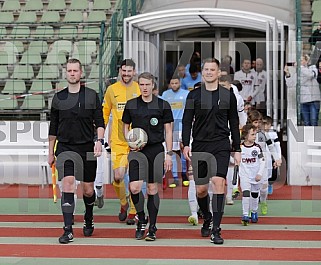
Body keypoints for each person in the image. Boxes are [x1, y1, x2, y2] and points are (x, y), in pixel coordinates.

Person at [182, 58, 241, 245]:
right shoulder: (193, 96)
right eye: (206, 69)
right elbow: (186, 121)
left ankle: (216, 229)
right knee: (200, 190)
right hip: (199, 145)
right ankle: (206, 217)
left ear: (218, 73)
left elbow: (234, 122)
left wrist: (237, 148)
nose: (208, 72)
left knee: (218, 183)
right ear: (203, 72)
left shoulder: (228, 95)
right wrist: (185, 144)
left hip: (221, 145)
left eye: (212, 69)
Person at [48, 58, 105, 244]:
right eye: (69, 71)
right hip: (65, 147)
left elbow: (100, 121)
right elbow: (53, 127)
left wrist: (99, 141)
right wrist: (50, 152)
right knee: (68, 184)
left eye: (75, 71)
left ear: (81, 73)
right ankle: (68, 229)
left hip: (87, 147)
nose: (72, 74)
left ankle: (89, 217)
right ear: (66, 73)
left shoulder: (91, 95)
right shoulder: (58, 98)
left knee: (88, 190)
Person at [122, 72, 173, 241]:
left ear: (153, 85)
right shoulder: (131, 105)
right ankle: (141, 218)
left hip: (156, 149)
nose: (144, 88)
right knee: (134, 188)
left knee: (152, 188)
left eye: (147, 84)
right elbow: (125, 126)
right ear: (139, 85)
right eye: (141, 84)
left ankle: (152, 226)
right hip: (137, 151)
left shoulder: (163, 105)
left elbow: (169, 131)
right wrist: (130, 141)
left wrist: (169, 154)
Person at [102, 59, 140, 225]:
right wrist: (99, 136)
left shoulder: (139, 88)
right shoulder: (111, 90)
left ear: (134, 72)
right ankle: (123, 202)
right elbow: (104, 113)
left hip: (137, 141)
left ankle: (133, 210)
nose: (126, 74)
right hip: (118, 141)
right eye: (123, 71)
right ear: (120, 71)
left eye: (129, 71)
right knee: (118, 176)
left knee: (134, 178)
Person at [247, 110, 281, 217]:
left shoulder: (263, 134)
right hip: (250, 164)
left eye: (259, 122)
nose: (257, 124)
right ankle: (251, 210)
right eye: (255, 122)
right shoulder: (246, 133)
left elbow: (271, 147)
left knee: (263, 188)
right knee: (251, 188)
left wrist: (277, 158)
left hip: (263, 163)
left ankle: (264, 202)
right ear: (250, 122)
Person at [161, 76, 189, 188]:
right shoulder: (165, 95)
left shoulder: (186, 94)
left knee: (183, 151)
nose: (174, 85)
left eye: (176, 83)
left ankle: (184, 174)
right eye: (172, 83)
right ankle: (175, 177)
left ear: (180, 83)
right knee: (171, 151)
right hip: (170, 127)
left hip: (182, 126)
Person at [239, 124, 265, 225]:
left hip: (256, 175)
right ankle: (245, 214)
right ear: (245, 135)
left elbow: (262, 161)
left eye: (255, 134)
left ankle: (254, 211)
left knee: (254, 195)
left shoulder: (257, 148)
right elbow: (234, 158)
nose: (255, 136)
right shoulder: (240, 147)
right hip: (245, 175)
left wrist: (259, 173)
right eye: (252, 134)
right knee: (246, 194)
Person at [284, 55, 321, 126]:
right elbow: (290, 84)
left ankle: (315, 137)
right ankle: (308, 137)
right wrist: (287, 73)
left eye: (301, 60)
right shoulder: (298, 72)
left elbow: (310, 74)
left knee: (314, 121)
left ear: (306, 61)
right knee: (306, 122)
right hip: (303, 101)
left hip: (314, 100)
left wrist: (299, 67)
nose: (299, 62)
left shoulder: (312, 67)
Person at [262, 115, 282, 195]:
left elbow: (277, 146)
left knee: (273, 175)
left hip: (272, 156)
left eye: (267, 124)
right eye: (264, 124)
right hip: (263, 156)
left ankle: (270, 184)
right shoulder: (259, 133)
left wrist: (278, 158)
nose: (265, 126)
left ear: (270, 125)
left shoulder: (273, 134)